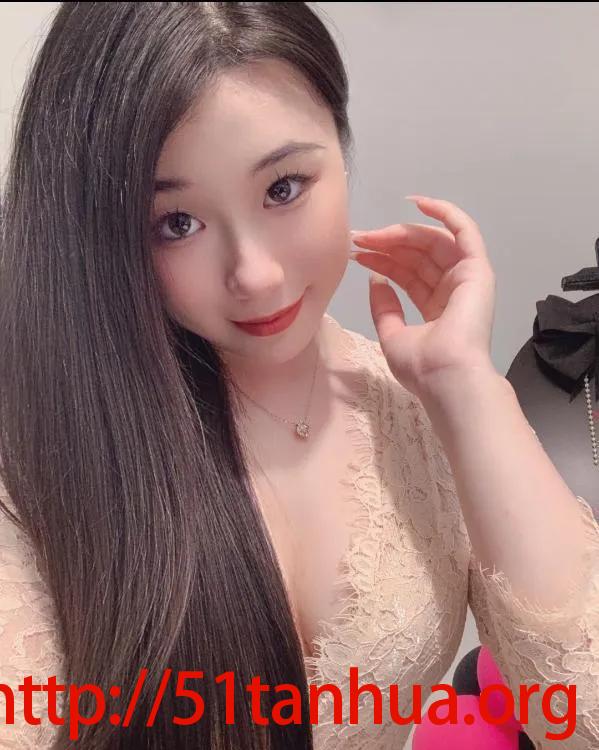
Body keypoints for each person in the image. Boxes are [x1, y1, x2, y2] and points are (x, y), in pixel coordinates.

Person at [0, 3, 597, 749]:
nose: (254, 273)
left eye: (283, 188)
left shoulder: (412, 408)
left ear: (339, 147)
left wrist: (463, 384)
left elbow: (580, 718)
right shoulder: (36, 456)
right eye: (176, 224)